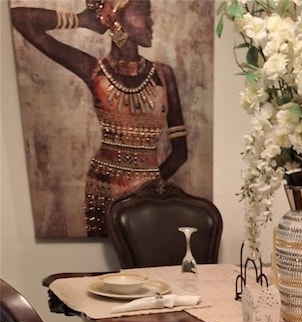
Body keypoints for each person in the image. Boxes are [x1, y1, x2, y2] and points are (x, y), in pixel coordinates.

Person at [11, 0, 187, 236]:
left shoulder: (163, 75)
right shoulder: (93, 69)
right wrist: (82, 20)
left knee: (148, 261)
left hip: (149, 196)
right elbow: (20, 18)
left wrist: (149, 188)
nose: (151, 22)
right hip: (103, 189)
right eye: (143, 13)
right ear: (117, 18)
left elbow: (180, 153)